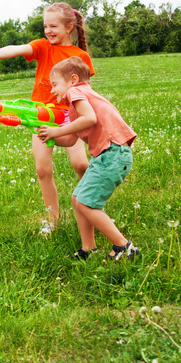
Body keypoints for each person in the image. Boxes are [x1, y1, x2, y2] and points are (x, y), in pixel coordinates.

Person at [0, 2, 94, 229]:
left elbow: (85, 90)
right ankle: (53, 221)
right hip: (40, 115)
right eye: (45, 26)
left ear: (69, 27)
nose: (48, 31)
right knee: (42, 169)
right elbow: (17, 48)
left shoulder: (79, 56)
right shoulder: (43, 46)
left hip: (69, 115)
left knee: (80, 164)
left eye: (53, 26)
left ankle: (91, 208)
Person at [35, 57, 138, 261]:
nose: (52, 90)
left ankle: (124, 246)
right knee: (78, 199)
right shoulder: (78, 104)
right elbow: (71, 139)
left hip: (113, 153)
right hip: (108, 155)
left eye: (55, 84)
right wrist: (50, 136)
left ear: (73, 80)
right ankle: (87, 248)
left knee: (86, 204)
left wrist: (57, 129)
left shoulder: (76, 92)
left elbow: (90, 119)